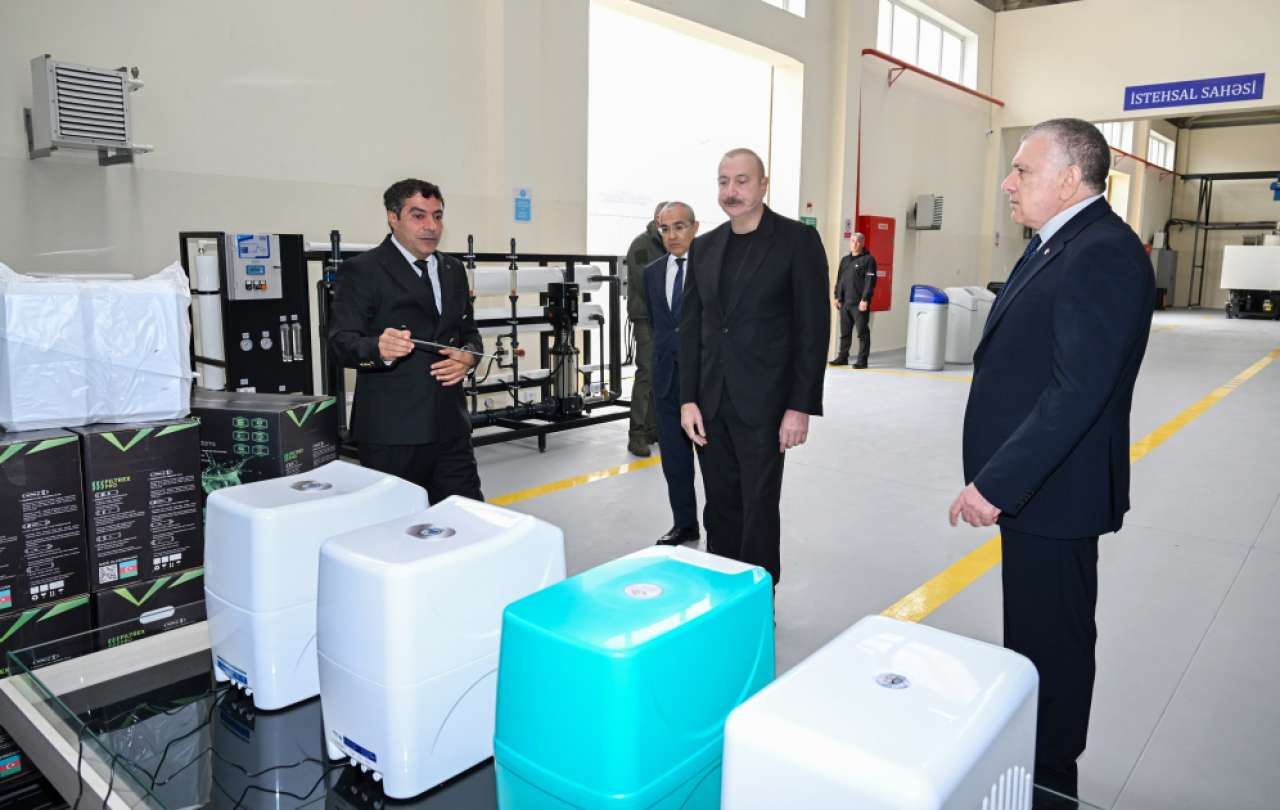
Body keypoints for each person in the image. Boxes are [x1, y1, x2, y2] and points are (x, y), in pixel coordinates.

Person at [948, 119, 1154, 802]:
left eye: (1022, 170)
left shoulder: (1102, 253)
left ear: (1069, 179)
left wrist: (996, 484)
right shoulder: (1057, 242)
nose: (1008, 183)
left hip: (1053, 492)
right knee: (1034, 636)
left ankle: (1050, 784)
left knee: (1053, 644)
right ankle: (1030, 761)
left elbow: (1078, 391)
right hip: (1039, 489)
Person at [679, 148, 829, 587]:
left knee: (759, 507)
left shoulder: (797, 242)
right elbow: (691, 328)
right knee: (719, 505)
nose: (732, 191)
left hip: (766, 404)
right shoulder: (704, 247)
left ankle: (759, 601)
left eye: (742, 181)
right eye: (724, 181)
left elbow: (813, 329)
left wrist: (800, 406)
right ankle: (724, 595)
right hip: (711, 402)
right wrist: (688, 399)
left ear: (763, 185)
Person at [329, 178, 485, 504]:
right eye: (418, 215)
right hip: (392, 433)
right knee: (395, 524)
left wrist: (469, 357)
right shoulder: (363, 270)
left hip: (451, 427)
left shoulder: (453, 269)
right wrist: (378, 349)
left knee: (467, 517)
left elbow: (469, 333)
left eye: (437, 216)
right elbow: (340, 342)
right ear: (393, 217)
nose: (431, 226)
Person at [644, 202, 700, 546]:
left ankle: (722, 528)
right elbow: (659, 325)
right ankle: (684, 524)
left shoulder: (710, 268)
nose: (672, 235)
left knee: (714, 462)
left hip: (704, 381)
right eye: (665, 229)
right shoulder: (652, 272)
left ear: (695, 227)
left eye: (679, 226)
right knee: (675, 460)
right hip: (666, 380)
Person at [625, 202, 667, 456]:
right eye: (666, 220)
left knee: (663, 373)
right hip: (646, 318)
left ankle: (654, 428)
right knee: (647, 373)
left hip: (667, 319)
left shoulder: (671, 243)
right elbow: (645, 284)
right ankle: (637, 434)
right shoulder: (641, 246)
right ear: (656, 219)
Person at [830, 232, 877, 368]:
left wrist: (865, 299)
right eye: (852, 241)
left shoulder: (868, 260)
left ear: (862, 243)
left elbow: (870, 281)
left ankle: (862, 360)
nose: (855, 244)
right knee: (845, 332)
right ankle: (842, 357)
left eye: (858, 241)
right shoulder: (845, 260)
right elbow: (840, 279)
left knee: (862, 332)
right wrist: (837, 296)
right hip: (845, 303)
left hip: (859, 303)